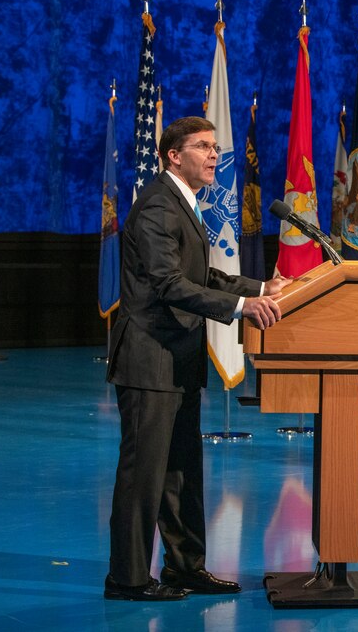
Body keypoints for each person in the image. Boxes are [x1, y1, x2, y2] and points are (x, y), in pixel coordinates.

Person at [105, 116, 291, 601]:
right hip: (149, 361)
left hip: (178, 361)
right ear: (173, 155)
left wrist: (260, 287)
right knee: (144, 477)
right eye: (202, 147)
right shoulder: (157, 207)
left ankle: (185, 568)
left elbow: (200, 273)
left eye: (215, 147)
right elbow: (169, 284)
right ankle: (126, 579)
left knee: (180, 473)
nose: (213, 155)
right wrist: (241, 307)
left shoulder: (182, 204)